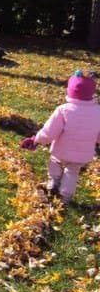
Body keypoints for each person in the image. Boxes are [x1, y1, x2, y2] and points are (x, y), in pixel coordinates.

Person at [20, 70, 100, 205]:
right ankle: (65, 196)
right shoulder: (97, 111)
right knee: (72, 172)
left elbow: (49, 131)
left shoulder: (64, 110)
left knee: (55, 162)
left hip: (61, 150)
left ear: (70, 91)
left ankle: (53, 182)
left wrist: (37, 139)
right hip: (82, 153)